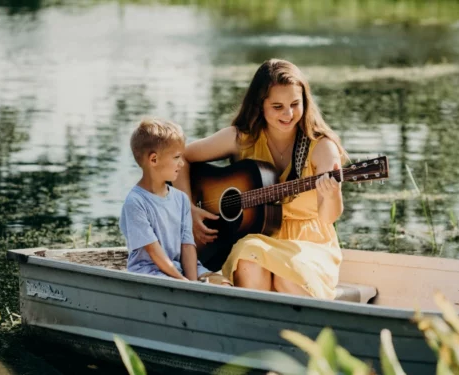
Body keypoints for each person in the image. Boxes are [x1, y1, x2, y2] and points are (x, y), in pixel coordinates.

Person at [174, 59, 349, 299]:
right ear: (260, 105)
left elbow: (329, 217)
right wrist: (188, 209)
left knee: (288, 276)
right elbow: (180, 157)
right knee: (249, 257)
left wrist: (331, 193)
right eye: (277, 106)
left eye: (295, 104)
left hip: (308, 245)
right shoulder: (242, 138)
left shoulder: (321, 147)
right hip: (255, 239)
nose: (288, 114)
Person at [119, 118, 210, 281]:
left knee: (223, 283)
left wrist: (193, 283)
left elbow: (187, 246)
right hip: (150, 271)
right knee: (172, 286)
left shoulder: (181, 199)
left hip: (180, 268)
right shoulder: (135, 202)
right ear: (153, 160)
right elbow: (154, 253)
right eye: (176, 157)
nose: (182, 164)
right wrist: (183, 283)